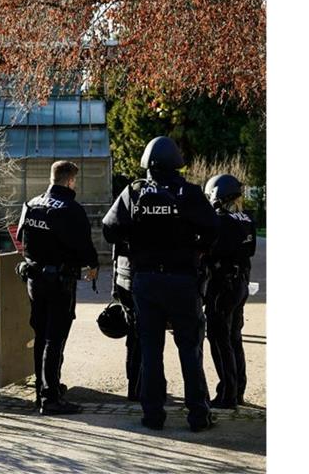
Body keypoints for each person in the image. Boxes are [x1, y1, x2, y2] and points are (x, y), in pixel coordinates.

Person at [102, 136, 219, 432]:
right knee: (189, 349)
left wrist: (135, 240)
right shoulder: (189, 193)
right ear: (177, 162)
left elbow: (109, 229)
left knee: (151, 351)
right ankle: (198, 416)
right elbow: (213, 230)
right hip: (182, 280)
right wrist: (195, 246)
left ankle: (153, 416)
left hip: (146, 280)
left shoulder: (134, 192)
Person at [15, 160, 99, 415]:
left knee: (41, 334)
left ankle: (42, 389)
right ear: (71, 180)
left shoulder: (31, 204)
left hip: (34, 279)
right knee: (55, 337)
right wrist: (93, 266)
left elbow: (21, 238)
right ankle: (50, 398)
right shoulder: (71, 209)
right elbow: (84, 246)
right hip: (60, 282)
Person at [203, 174, 257, 409]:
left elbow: (209, 253)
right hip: (241, 284)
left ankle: (227, 394)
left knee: (218, 339)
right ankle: (238, 390)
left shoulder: (221, 221)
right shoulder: (247, 218)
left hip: (222, 287)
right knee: (235, 338)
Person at [112, 241, 142, 401]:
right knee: (143, 336)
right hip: (142, 273)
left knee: (134, 335)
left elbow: (113, 240)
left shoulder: (122, 214)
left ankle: (134, 384)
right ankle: (139, 386)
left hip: (125, 274)